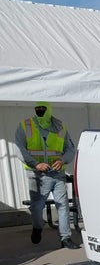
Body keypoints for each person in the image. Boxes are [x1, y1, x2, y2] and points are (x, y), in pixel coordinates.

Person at [15, 102, 80, 249]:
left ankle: (65, 238)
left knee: (62, 205)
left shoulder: (60, 127)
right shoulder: (26, 126)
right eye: (37, 109)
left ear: (49, 110)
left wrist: (62, 160)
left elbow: (70, 149)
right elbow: (20, 149)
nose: (39, 111)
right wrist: (36, 164)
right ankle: (38, 227)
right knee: (37, 207)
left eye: (42, 109)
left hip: (57, 173)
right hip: (36, 174)